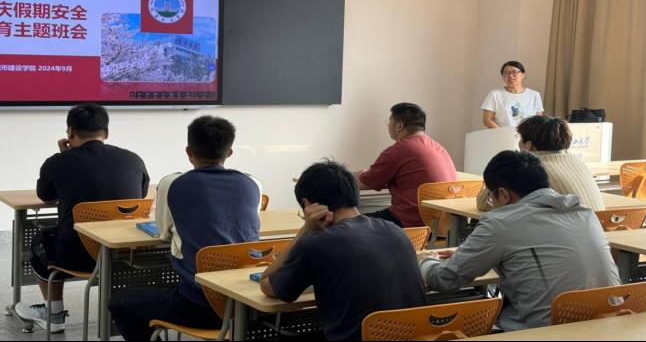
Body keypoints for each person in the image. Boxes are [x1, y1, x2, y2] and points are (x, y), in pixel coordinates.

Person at [419, 150, 621, 332]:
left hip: (546, 332)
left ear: (503, 194)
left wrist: (425, 260)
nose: (492, 204)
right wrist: (471, 253)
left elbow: (444, 280)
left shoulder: (500, 223)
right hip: (610, 328)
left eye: (491, 199)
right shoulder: (584, 213)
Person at [108, 116, 261, 341]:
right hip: (246, 304)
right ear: (229, 152)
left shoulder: (172, 183)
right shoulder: (252, 183)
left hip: (198, 306)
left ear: (189, 152)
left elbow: (163, 233)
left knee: (119, 301)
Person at [15, 103, 149, 332]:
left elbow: (45, 195)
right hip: (124, 254)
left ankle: (54, 314)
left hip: (77, 256)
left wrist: (64, 156)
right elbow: (142, 195)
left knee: (40, 241)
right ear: (106, 133)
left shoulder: (57, 163)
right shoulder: (133, 159)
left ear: (70, 133)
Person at [261, 160, 426, 341]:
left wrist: (305, 229)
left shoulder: (317, 243)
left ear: (308, 205)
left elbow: (268, 285)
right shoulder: (395, 230)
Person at [355, 103, 457, 227]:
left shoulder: (399, 150)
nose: (388, 125)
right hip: (441, 226)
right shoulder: (439, 148)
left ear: (399, 126)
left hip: (410, 223)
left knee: (348, 224)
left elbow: (365, 182)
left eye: (390, 121)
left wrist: (351, 176)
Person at [477, 116, 605, 211]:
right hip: (598, 232)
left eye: (520, 138)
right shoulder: (578, 161)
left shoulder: (530, 167)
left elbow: (484, 203)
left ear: (528, 145)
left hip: (564, 235)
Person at [481, 61, 544, 128]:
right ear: (502, 77)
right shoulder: (495, 94)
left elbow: (539, 120)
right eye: (506, 73)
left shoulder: (534, 95)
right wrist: (503, 132)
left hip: (528, 134)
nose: (510, 75)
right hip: (503, 133)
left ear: (523, 75)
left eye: (514, 72)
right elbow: (487, 120)